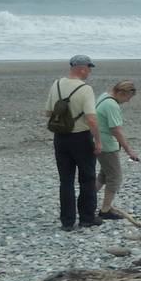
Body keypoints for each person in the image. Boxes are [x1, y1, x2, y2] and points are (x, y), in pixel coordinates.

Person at [44, 54, 102, 230]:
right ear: (82, 68)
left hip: (60, 137)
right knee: (87, 178)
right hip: (81, 137)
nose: (90, 72)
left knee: (66, 180)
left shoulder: (56, 84)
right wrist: (98, 140)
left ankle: (67, 221)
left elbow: (48, 112)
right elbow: (91, 118)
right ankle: (87, 217)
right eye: (89, 68)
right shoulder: (85, 89)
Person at [96, 80, 141, 219]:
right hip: (107, 145)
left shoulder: (103, 96)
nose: (127, 101)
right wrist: (129, 150)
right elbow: (116, 130)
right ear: (122, 93)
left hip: (99, 142)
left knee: (104, 175)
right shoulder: (111, 105)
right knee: (115, 177)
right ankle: (105, 210)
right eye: (128, 98)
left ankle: (85, 201)